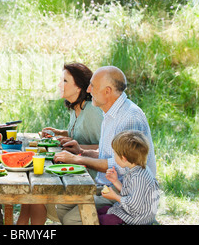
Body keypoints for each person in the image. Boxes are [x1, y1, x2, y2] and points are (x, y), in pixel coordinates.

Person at [53, 65, 157, 225]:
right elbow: (107, 155)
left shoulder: (129, 117)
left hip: (128, 192)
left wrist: (78, 160)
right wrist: (81, 151)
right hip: (107, 184)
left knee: (72, 219)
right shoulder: (109, 113)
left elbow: (121, 166)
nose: (87, 90)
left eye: (92, 86)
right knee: (62, 207)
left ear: (107, 91)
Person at [17, 63, 103, 225]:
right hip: (75, 172)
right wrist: (60, 133)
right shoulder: (76, 108)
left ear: (79, 87)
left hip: (90, 179)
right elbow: (80, 134)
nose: (59, 85)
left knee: (35, 192)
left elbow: (106, 147)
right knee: (32, 190)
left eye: (65, 81)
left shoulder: (92, 110)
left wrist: (78, 148)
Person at [99, 130, 160, 225]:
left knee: (103, 220)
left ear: (124, 158)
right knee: (102, 210)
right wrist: (115, 181)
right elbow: (129, 193)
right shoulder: (135, 170)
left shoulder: (139, 177)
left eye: (115, 154)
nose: (114, 156)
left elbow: (134, 205)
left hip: (137, 218)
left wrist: (115, 196)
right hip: (130, 211)